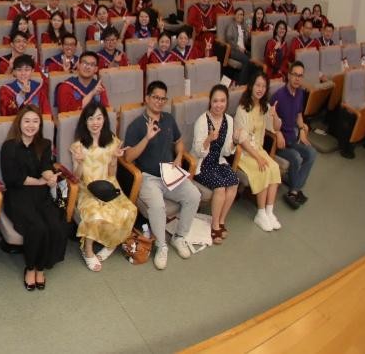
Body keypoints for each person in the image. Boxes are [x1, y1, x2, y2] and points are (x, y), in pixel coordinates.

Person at [123, 81, 201, 269]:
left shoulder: (168, 119)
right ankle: (161, 245)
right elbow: (128, 157)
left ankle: (179, 237)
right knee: (158, 206)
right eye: (155, 97)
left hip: (170, 173)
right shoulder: (136, 125)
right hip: (148, 178)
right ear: (147, 98)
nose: (159, 101)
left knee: (194, 195)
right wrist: (147, 138)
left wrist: (179, 155)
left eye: (163, 99)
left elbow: (179, 141)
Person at [0, 105, 66, 290]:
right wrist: (39, 182)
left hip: (41, 195)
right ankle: (30, 267)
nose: (31, 125)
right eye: (27, 121)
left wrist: (49, 177)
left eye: (35, 121)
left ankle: (41, 267)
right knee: (37, 227)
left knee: (54, 225)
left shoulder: (44, 144)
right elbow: (12, 178)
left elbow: (46, 166)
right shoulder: (9, 146)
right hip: (18, 194)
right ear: (19, 123)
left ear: (40, 124)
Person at [70, 101, 137, 272]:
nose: (95, 122)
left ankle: (111, 243)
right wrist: (80, 163)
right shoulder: (78, 145)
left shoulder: (112, 141)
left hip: (107, 185)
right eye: (91, 118)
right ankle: (88, 250)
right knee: (95, 214)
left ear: (104, 120)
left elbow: (112, 174)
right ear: (85, 121)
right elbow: (75, 178)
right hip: (87, 188)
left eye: (99, 118)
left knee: (128, 210)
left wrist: (114, 158)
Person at [191, 85, 240, 244]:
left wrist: (234, 142)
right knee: (220, 187)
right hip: (202, 164)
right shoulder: (202, 121)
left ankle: (221, 220)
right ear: (210, 102)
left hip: (218, 161)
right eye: (215, 101)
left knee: (234, 182)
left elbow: (226, 152)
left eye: (222, 101)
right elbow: (198, 152)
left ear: (227, 102)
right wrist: (209, 139)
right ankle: (214, 225)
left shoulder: (229, 120)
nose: (219, 105)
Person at [234, 74, 283, 232]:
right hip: (244, 153)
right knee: (263, 168)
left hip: (258, 150)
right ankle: (260, 213)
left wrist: (275, 115)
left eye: (263, 86)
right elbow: (242, 140)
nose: (260, 89)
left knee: (274, 167)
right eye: (257, 85)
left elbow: (276, 128)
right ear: (251, 86)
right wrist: (258, 158)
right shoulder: (242, 109)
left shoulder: (265, 107)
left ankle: (269, 211)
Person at [271, 62, 317, 210]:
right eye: (295, 75)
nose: (297, 78)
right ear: (289, 75)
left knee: (311, 153)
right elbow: (269, 122)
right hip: (280, 143)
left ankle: (294, 187)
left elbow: (299, 115)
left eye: (300, 76)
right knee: (296, 157)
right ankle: (294, 190)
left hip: (293, 138)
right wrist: (277, 133)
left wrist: (302, 129)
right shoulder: (278, 96)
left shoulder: (300, 93)